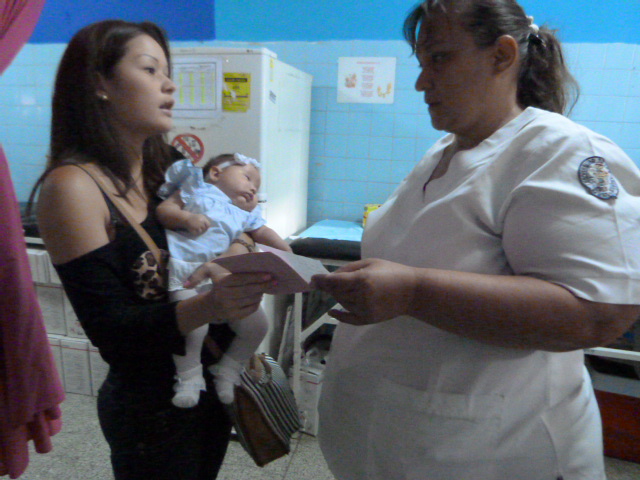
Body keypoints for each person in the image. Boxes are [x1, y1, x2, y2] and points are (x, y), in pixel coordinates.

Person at [311, 1, 640, 479]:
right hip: (399, 445)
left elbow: (600, 313)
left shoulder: (559, 151)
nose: (422, 82)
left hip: (494, 452)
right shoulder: (443, 152)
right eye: (421, 63)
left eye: (439, 58)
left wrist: (413, 291)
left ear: (502, 55)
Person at [29, 20, 273, 480]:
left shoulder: (168, 166)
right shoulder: (73, 188)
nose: (169, 84)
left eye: (168, 71)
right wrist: (211, 305)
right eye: (149, 69)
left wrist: (238, 250)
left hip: (209, 388)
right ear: (99, 84)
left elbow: (231, 220)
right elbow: (113, 332)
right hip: (151, 412)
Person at [156, 153, 292, 407]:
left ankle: (228, 370)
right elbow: (165, 210)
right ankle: (188, 377)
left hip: (226, 277)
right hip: (187, 271)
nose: (253, 188)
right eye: (248, 178)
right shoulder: (195, 189)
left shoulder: (245, 212)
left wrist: (286, 250)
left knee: (258, 325)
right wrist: (186, 218)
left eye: (257, 187)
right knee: (192, 327)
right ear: (216, 173)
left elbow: (262, 231)